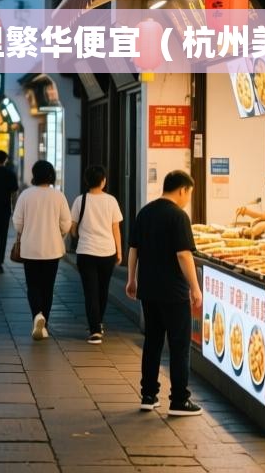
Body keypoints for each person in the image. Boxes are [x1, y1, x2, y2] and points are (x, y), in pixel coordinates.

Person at [126, 169, 203, 416]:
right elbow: (183, 254)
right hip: (174, 292)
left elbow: (133, 249)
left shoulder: (145, 212)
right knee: (179, 345)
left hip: (148, 289)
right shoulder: (179, 216)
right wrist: (195, 287)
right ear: (182, 190)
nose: (187, 198)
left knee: (153, 342)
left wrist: (131, 280)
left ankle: (148, 395)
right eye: (188, 193)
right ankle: (179, 400)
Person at [13, 160, 71, 340]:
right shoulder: (58, 196)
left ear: (34, 174)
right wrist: (58, 234)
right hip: (52, 248)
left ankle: (36, 316)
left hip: (30, 248)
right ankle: (44, 321)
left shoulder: (25, 195)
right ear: (51, 175)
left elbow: (18, 223)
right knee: (48, 286)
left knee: (33, 285)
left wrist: (25, 231)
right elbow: (66, 223)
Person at [71, 165, 123, 344]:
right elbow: (116, 228)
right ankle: (97, 323)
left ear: (87, 181)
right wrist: (119, 251)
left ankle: (95, 328)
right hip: (107, 252)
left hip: (86, 252)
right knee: (102, 289)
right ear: (103, 181)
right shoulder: (111, 201)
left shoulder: (80, 200)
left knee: (90, 291)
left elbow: (73, 227)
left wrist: (78, 235)